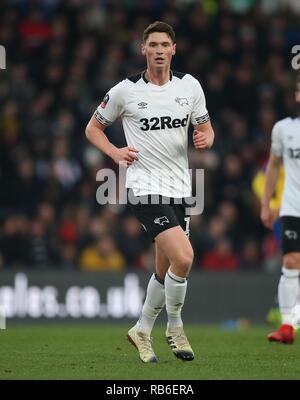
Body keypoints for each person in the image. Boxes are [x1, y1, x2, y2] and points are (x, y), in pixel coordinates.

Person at [85, 21, 214, 362]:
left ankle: (142, 329)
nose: (158, 50)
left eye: (164, 45)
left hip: (179, 188)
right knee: (184, 258)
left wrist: (206, 138)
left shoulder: (189, 86)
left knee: (165, 269)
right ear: (143, 50)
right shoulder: (126, 91)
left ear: (174, 50)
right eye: (152, 45)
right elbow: (93, 128)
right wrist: (114, 152)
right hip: (143, 188)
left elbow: (205, 127)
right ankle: (174, 326)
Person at [261, 74, 300, 344]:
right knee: (290, 261)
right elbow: (273, 165)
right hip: (292, 206)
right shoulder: (283, 129)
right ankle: (287, 326)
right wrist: (266, 204)